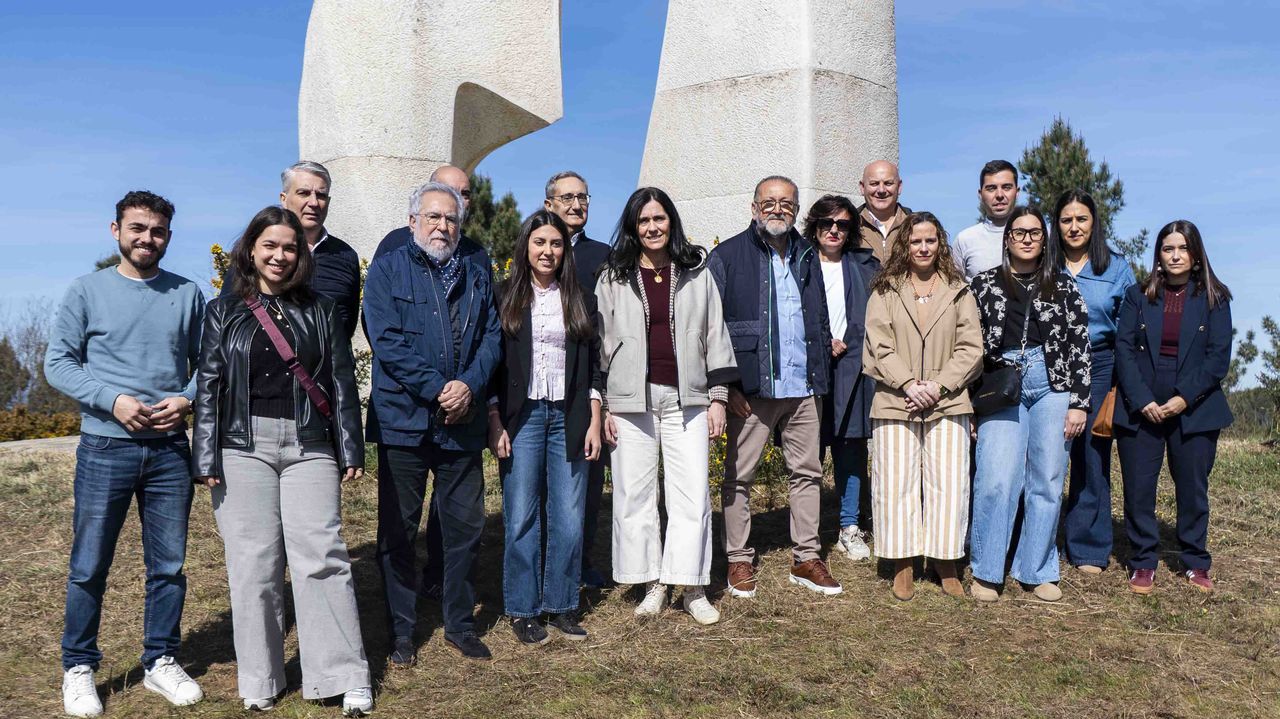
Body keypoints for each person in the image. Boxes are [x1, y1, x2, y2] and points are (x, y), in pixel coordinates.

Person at [192, 207, 372, 715]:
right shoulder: (222, 311)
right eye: (270, 245)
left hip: (309, 444)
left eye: (289, 247)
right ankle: (260, 680)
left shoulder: (322, 308)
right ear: (251, 249)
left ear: (300, 255)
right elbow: (208, 387)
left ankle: (343, 673)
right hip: (241, 446)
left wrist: (350, 445)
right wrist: (203, 454)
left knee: (323, 556)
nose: (279, 255)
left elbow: (340, 380)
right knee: (254, 565)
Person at [45, 191, 205, 718]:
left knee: (170, 565)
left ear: (168, 237)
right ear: (115, 230)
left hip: (168, 452)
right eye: (137, 228)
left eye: (157, 231)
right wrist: (112, 400)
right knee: (89, 564)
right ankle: (78, 667)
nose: (147, 239)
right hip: (104, 447)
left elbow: (212, 366)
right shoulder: (86, 291)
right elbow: (59, 363)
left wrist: (186, 398)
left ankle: (160, 660)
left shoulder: (188, 294)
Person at [364, 181, 502, 662]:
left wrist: (467, 386)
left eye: (451, 219)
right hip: (404, 423)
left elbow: (492, 339)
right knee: (399, 531)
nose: (443, 226)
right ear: (413, 223)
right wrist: (437, 388)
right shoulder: (387, 271)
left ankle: (459, 623)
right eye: (434, 217)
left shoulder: (476, 274)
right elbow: (387, 342)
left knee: (464, 529)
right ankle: (401, 631)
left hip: (460, 425)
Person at [596, 187, 738, 624]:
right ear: (633, 228)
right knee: (634, 494)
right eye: (644, 221)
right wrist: (601, 404)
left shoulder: (697, 272)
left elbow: (715, 334)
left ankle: (692, 584)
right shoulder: (613, 277)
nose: (653, 227)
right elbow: (600, 345)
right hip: (629, 401)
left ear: (671, 222)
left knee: (691, 492)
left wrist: (717, 398)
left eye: (659, 219)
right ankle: (653, 580)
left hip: (687, 399)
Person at [708, 175, 841, 599]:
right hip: (753, 389)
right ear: (753, 208)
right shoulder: (727, 255)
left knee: (807, 473)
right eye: (769, 202)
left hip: (802, 386)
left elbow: (817, 319)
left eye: (786, 202)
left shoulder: (807, 254)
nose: (777, 209)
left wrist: (820, 376)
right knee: (739, 477)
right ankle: (739, 560)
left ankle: (806, 556)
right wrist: (728, 386)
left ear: (797, 209)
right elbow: (710, 329)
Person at [487, 209, 603, 644]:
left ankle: (561, 604)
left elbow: (594, 365)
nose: (548, 251)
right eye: (540, 243)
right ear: (525, 248)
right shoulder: (504, 296)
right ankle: (522, 607)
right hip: (524, 417)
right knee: (521, 516)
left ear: (564, 250)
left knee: (569, 518)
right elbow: (494, 367)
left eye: (556, 243)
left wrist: (595, 418)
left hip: (569, 415)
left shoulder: (580, 298)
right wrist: (495, 418)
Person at [969, 206, 1090, 603]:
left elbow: (1079, 345)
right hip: (1001, 382)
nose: (1025, 238)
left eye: (1034, 233)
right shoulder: (984, 284)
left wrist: (1079, 403)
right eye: (1018, 232)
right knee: (997, 476)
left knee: (1048, 479)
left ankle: (1036, 568)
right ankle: (987, 568)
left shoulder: (1064, 286)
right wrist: (969, 402)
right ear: (1007, 239)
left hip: (1052, 383)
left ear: (1044, 239)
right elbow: (968, 346)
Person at [863, 212, 983, 601]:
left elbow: (971, 348)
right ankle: (902, 561)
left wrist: (938, 385)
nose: (923, 247)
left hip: (948, 399)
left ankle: (944, 560)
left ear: (940, 244)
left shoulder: (958, 290)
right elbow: (879, 345)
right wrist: (909, 384)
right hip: (895, 398)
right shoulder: (885, 289)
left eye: (930, 241)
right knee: (895, 481)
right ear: (905, 245)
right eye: (916, 241)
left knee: (948, 482)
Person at [1114, 220, 1232, 595]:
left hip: (1194, 404)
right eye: (1168, 248)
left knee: (1193, 487)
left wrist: (1183, 397)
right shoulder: (1138, 295)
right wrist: (1142, 399)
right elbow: (1124, 349)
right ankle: (1144, 560)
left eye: (1183, 248)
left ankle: (1196, 560)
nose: (1175, 255)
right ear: (1158, 256)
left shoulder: (1215, 298)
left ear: (1196, 256)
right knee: (1138, 487)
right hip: (1142, 402)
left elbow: (1217, 359)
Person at [1053, 190, 1137, 575]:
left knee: (1091, 454)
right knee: (1045, 453)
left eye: (1081, 219)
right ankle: (1034, 538)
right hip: (1050, 364)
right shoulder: (1043, 265)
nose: (1074, 227)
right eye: (1066, 219)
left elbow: (1130, 328)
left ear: (1094, 222)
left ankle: (1087, 546)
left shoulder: (1115, 268)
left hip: (1101, 363)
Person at [542, 169, 612, 589]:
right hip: (541, 386)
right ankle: (543, 561)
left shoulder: (603, 255)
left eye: (582, 197)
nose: (575, 205)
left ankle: (581, 561)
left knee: (587, 480)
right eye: (566, 198)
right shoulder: (537, 249)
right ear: (549, 204)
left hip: (588, 386)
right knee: (542, 487)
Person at [802, 194, 878, 561]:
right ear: (814, 226)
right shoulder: (796, 264)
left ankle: (850, 525)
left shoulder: (865, 266)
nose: (834, 230)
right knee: (808, 453)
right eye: (826, 223)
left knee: (850, 450)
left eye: (843, 224)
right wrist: (819, 339)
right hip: (808, 368)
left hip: (853, 366)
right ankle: (807, 530)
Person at [220, 161, 362, 339]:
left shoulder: (345, 255)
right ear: (283, 199)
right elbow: (227, 317)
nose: (313, 203)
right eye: (303, 193)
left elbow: (348, 324)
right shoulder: (258, 254)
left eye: (321, 195)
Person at [953, 160, 1020, 283]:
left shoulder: (1037, 236)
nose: (999, 194)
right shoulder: (965, 240)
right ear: (980, 194)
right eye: (991, 188)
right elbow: (954, 291)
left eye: (1006, 187)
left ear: (1017, 192)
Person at [856, 160, 912, 263]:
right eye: (874, 184)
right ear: (862, 187)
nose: (881, 190)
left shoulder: (914, 225)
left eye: (888, 183)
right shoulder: (849, 226)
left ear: (899, 187)